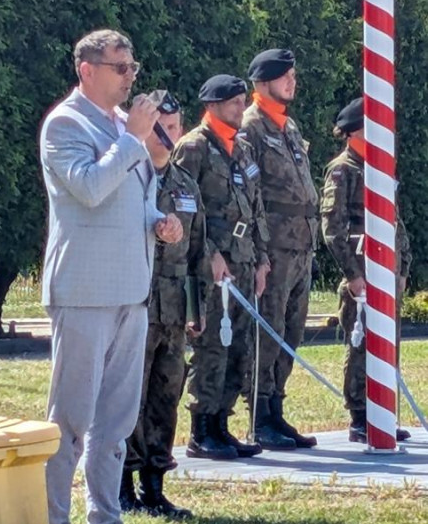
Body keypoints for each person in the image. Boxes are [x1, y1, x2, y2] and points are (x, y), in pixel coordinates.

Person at [40, 29, 183, 524]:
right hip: (83, 291)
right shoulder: (66, 124)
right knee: (70, 421)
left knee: (116, 423)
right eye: (119, 67)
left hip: (130, 291)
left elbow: (132, 199)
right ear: (87, 70)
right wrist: (133, 140)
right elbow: (89, 188)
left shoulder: (127, 128)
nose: (129, 77)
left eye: (132, 67)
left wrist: (158, 222)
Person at [122, 97, 213, 518]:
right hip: (133, 307)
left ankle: (155, 486)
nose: (170, 135)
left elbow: (198, 253)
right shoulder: (127, 177)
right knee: (128, 400)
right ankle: (123, 485)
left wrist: (199, 310)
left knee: (165, 397)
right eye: (163, 126)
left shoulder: (185, 186)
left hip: (174, 314)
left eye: (176, 126)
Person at [173, 74, 269, 460]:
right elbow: (183, 205)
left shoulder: (241, 149)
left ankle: (222, 423)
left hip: (244, 259)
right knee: (211, 344)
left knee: (239, 346)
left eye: (242, 101)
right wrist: (209, 252)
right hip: (211, 266)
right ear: (211, 106)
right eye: (232, 103)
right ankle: (202, 429)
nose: (240, 108)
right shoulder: (193, 147)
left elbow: (256, 206)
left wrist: (262, 258)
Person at [320, 97, 411, 443]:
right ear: (357, 131)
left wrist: (403, 267)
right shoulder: (343, 170)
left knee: (388, 344)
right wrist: (353, 275)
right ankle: (360, 414)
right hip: (362, 274)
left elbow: (394, 223)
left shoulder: (379, 169)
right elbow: (333, 228)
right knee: (362, 347)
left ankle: (382, 411)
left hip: (387, 275)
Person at [240, 50, 318, 450]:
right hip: (274, 247)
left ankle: (276, 409)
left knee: (290, 333)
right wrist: (258, 252)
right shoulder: (250, 127)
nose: (291, 81)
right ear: (262, 81)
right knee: (266, 334)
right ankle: (259, 415)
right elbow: (249, 194)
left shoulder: (288, 127)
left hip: (300, 246)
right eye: (283, 76)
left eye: (292, 74)